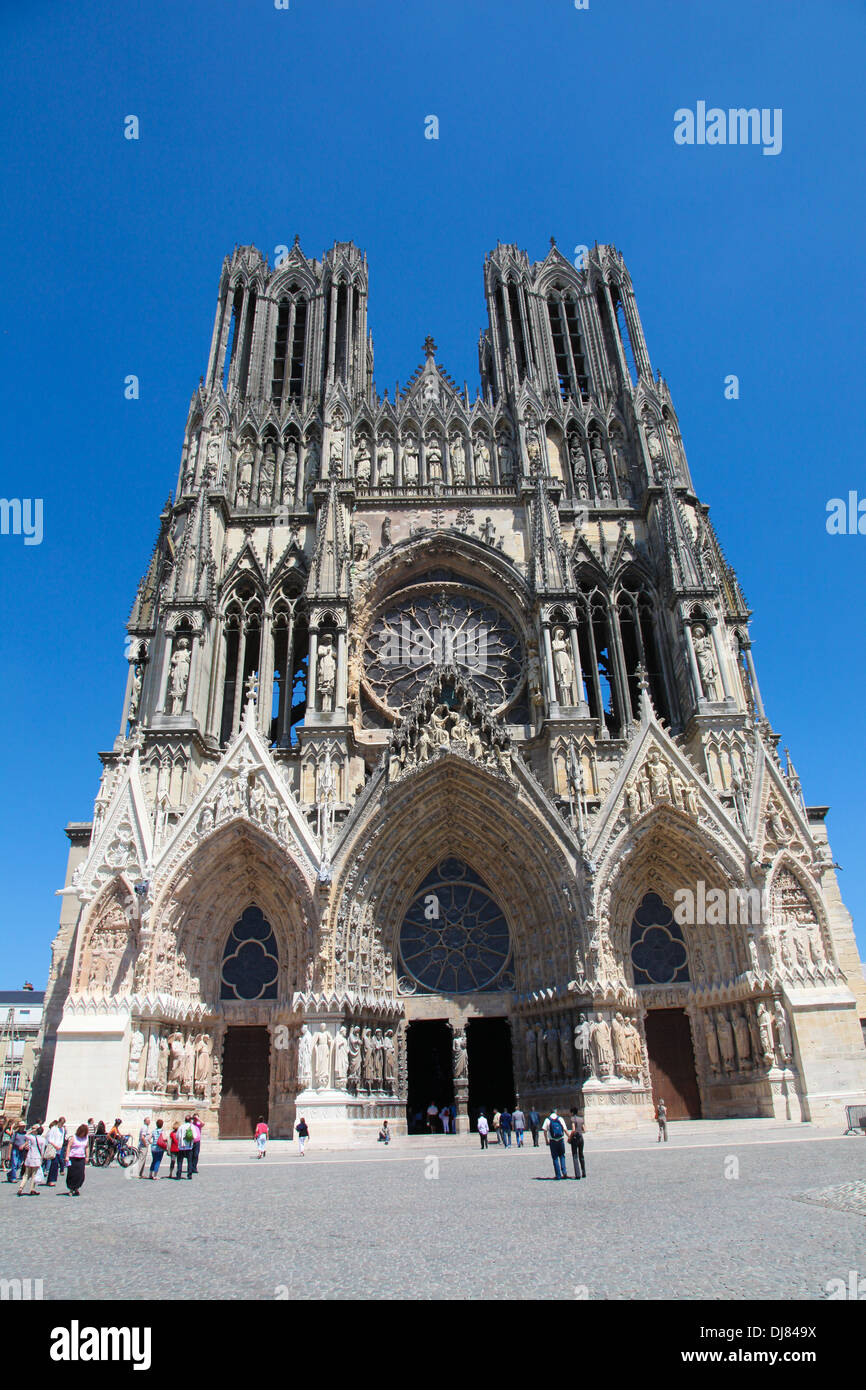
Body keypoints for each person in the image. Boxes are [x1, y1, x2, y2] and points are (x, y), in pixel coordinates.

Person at [17, 1125, 45, 1196]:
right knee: (34, 1175)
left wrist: (32, 1131)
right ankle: (32, 1189)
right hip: (37, 1158)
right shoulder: (43, 1139)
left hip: (29, 1157)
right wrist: (41, 1159)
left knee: (26, 1174)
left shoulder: (32, 1138)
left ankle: (21, 1188)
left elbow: (26, 1135)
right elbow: (42, 1151)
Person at [543, 1110, 568, 1180]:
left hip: (552, 1141)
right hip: (561, 1140)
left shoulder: (547, 1120)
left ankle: (558, 1175)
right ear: (556, 1112)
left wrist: (546, 1140)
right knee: (562, 1156)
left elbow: (544, 1131)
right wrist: (569, 1137)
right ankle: (564, 1172)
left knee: (555, 1158)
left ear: (550, 1113)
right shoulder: (560, 1119)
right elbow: (565, 1129)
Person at [65, 1124, 88, 1197]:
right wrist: (67, 1156)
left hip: (81, 1157)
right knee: (72, 1174)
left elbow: (87, 1147)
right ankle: (71, 1189)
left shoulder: (86, 1138)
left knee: (80, 1174)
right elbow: (69, 1146)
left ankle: (77, 1187)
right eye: (82, 1133)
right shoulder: (74, 1137)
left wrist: (87, 1156)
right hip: (73, 1157)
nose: (83, 1134)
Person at [43, 1118, 65, 1186]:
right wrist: (55, 1146)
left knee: (55, 1164)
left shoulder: (62, 1129)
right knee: (55, 1164)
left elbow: (62, 1138)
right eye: (61, 1123)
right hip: (53, 1148)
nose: (62, 1125)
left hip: (59, 1149)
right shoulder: (53, 1129)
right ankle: (51, 1180)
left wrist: (60, 1145)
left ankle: (50, 1180)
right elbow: (50, 1139)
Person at [568, 1109, 587, 1179]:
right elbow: (584, 1130)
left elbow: (573, 1130)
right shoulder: (581, 1119)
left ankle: (578, 1174)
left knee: (575, 1156)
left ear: (572, 1112)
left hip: (575, 1138)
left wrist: (570, 1138)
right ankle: (584, 1172)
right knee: (581, 1155)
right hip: (581, 1138)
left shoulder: (572, 1119)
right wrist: (580, 1131)